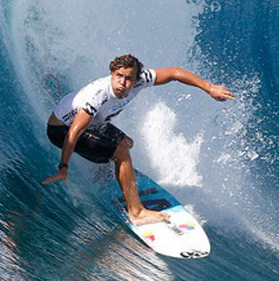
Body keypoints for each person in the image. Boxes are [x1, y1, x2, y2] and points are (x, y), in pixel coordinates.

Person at [42, 54, 233, 224]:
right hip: (61, 130)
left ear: (136, 80)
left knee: (126, 143)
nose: (122, 83)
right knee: (120, 152)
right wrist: (63, 167)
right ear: (112, 74)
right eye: (118, 76)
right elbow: (73, 133)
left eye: (128, 79)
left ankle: (105, 173)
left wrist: (209, 87)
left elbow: (174, 73)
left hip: (92, 124)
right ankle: (137, 213)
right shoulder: (98, 95)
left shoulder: (141, 80)